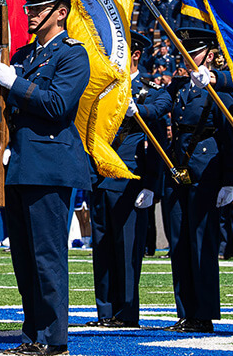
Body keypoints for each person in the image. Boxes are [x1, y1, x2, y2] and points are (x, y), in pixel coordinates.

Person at [0, 0, 90, 356]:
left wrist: (15, 84)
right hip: (18, 165)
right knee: (24, 259)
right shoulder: (26, 54)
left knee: (47, 257)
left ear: (60, 13)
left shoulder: (73, 55)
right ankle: (33, 333)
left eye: (38, 8)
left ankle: (53, 339)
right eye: (29, 7)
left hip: (49, 166)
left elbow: (57, 104)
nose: (29, 13)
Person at [87, 32, 170, 330]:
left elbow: (158, 134)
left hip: (130, 180)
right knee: (102, 247)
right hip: (99, 177)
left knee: (127, 248)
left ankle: (126, 312)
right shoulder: (101, 86)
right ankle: (105, 311)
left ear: (134, 54)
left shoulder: (152, 91)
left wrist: (151, 184)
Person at [162, 27, 233, 334]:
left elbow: (230, 135)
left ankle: (203, 313)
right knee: (179, 242)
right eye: (184, 52)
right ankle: (186, 311)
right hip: (179, 169)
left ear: (209, 54)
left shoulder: (218, 89)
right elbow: (159, 106)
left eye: (192, 52)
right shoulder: (179, 86)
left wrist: (230, 179)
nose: (186, 58)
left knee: (201, 243)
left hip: (205, 170)